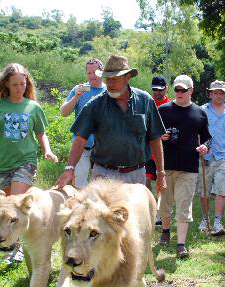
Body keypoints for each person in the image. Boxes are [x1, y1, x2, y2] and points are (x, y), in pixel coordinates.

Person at [0, 63, 58, 262]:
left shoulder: (33, 107)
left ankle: (19, 250)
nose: (19, 88)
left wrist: (47, 150)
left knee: (17, 204)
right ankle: (8, 244)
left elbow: (41, 133)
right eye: (14, 84)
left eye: (22, 84)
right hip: (2, 162)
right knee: (6, 209)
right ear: (6, 84)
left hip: (26, 161)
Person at [55, 55, 166, 194]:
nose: (110, 84)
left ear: (127, 77)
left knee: (133, 215)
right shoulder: (95, 105)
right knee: (101, 215)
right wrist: (70, 168)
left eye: (115, 79)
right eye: (108, 79)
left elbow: (155, 137)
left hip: (136, 176)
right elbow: (80, 138)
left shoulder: (145, 101)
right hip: (104, 175)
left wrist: (161, 172)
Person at [157, 75, 210, 259]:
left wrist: (205, 147)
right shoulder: (163, 110)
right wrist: (160, 136)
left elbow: (206, 137)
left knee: (184, 205)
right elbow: (151, 134)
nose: (179, 93)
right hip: (166, 165)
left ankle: (181, 244)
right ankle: (165, 230)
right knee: (164, 204)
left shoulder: (200, 113)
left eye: (183, 90)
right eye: (177, 90)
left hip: (189, 166)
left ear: (191, 91)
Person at [198, 80, 225, 236]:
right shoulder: (201, 110)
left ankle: (217, 221)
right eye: (215, 92)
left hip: (223, 156)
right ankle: (205, 219)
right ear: (210, 94)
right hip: (205, 157)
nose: (218, 95)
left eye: (221, 92)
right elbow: (196, 131)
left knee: (222, 189)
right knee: (204, 189)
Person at [60, 59, 106, 188]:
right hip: (82, 146)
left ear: (102, 72)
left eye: (95, 72)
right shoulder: (79, 90)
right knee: (79, 186)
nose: (92, 76)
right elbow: (64, 112)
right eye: (89, 73)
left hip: (103, 148)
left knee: (100, 188)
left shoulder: (109, 91)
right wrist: (76, 97)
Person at [148, 76, 171, 226]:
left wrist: (167, 134)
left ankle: (159, 213)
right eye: (155, 89)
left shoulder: (170, 105)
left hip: (163, 152)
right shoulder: (147, 102)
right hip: (146, 152)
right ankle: (148, 211)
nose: (157, 92)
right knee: (145, 182)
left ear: (166, 89)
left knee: (161, 185)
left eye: (160, 89)